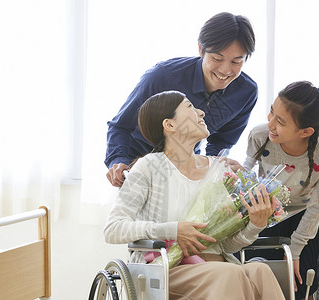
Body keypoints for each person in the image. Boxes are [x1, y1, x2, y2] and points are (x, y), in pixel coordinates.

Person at [104, 91, 285, 300]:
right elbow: (113, 229)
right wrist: (173, 230)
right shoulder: (150, 167)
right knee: (229, 274)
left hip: (217, 264)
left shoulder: (218, 169)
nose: (201, 112)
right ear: (169, 125)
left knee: (260, 271)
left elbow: (225, 245)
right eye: (189, 107)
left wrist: (255, 224)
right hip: (167, 269)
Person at [105, 12, 258, 187]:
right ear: (201, 49)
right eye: (217, 58)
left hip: (184, 173)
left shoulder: (246, 92)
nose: (225, 70)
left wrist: (211, 169)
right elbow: (120, 126)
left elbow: (221, 142)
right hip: (137, 166)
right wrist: (118, 161)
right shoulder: (163, 76)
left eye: (236, 62)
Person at [238, 81, 319, 300]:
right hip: (266, 216)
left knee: (300, 286)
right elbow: (245, 177)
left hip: (306, 221)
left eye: (281, 121)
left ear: (305, 131)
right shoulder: (259, 136)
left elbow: (317, 206)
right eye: (271, 112)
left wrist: (295, 251)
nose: (270, 123)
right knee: (258, 283)